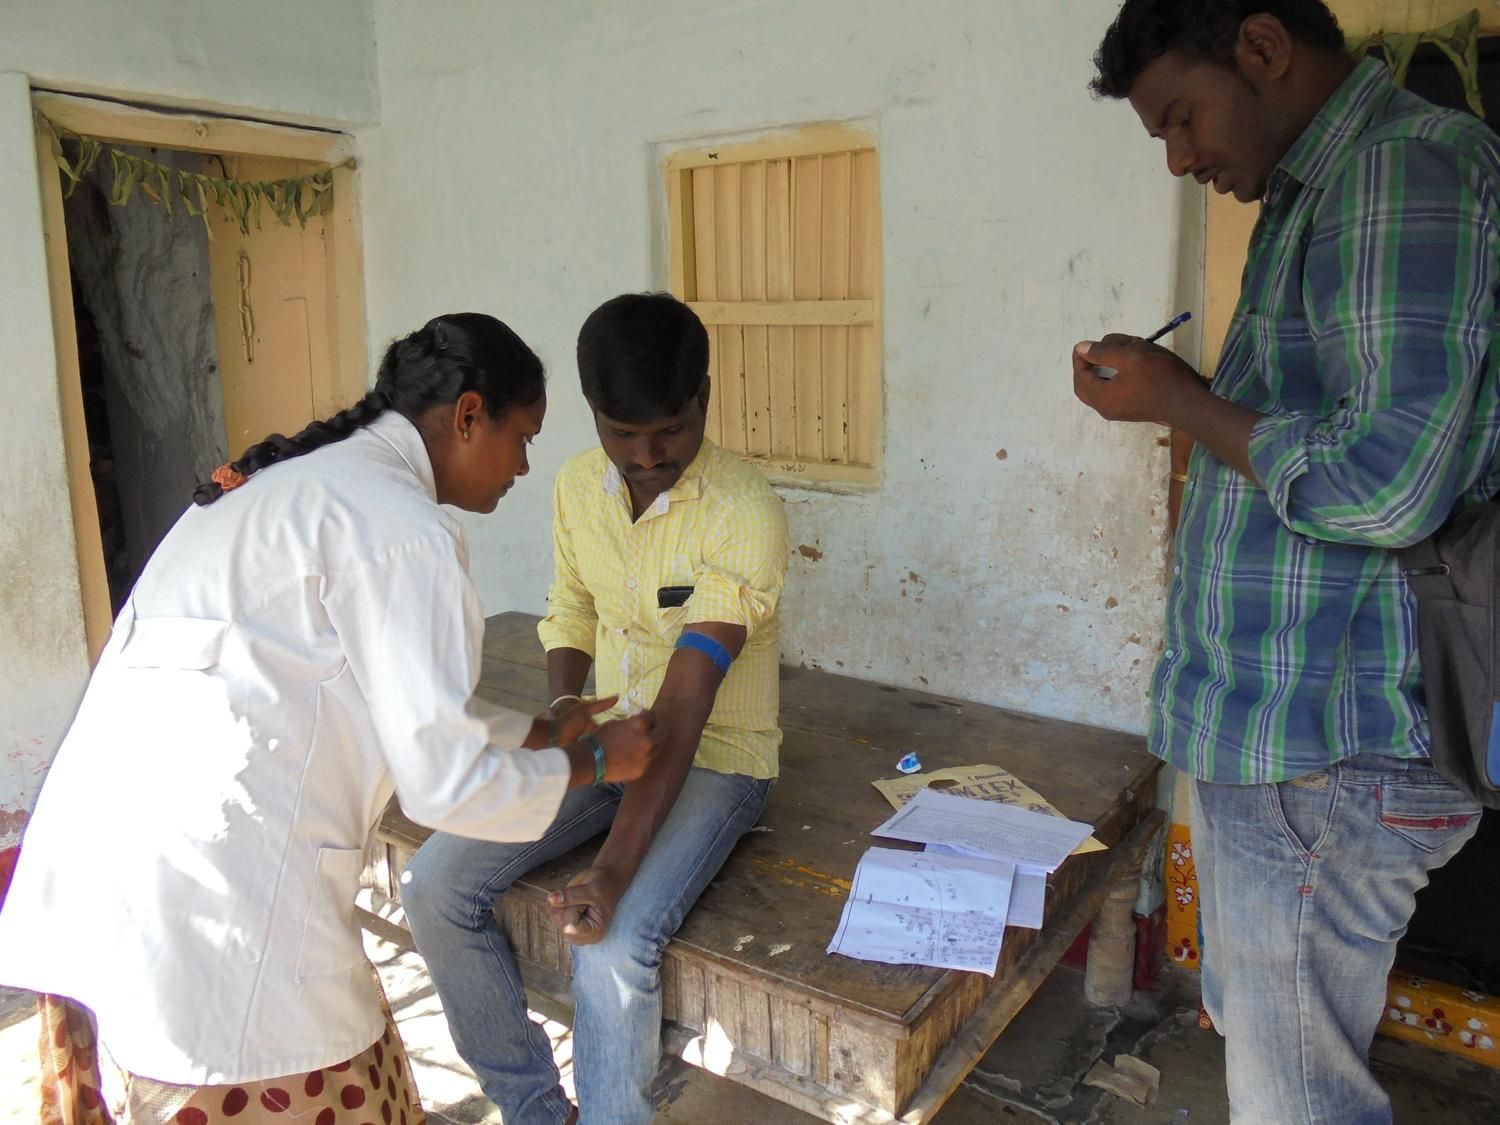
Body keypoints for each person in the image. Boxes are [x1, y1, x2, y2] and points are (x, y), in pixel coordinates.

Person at [0, 313, 662, 1123]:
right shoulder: (403, 531)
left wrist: (535, 732)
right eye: (523, 436)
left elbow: (383, 697)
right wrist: (597, 765)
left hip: (106, 897)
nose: (525, 465)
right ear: (466, 415)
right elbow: (446, 789)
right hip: (223, 940)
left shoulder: (295, 489)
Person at [1075, 3, 1500, 1121]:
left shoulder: (1396, 171)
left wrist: (1180, 401)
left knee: (1297, 1104)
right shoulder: (1315, 190)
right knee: (1283, 1072)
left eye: (1182, 118)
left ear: (1261, 48)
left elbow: (1390, 483)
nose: (1180, 158)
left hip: (1327, 749)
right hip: (1281, 739)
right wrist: (1196, 406)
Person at [403, 292, 790, 1125]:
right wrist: (571, 714)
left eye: (670, 432)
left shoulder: (745, 510)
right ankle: (536, 1108)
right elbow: (571, 608)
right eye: (623, 433)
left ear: (705, 400)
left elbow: (686, 706)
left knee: (610, 945)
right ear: (592, 416)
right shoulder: (580, 485)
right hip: (612, 742)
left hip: (716, 755)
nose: (648, 457)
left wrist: (610, 871)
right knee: (433, 882)